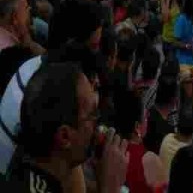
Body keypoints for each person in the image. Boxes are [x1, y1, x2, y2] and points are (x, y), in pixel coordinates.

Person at [6, 62, 128, 193]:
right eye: (93, 115)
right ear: (64, 136)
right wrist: (110, 188)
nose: (99, 125)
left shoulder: (38, 160)